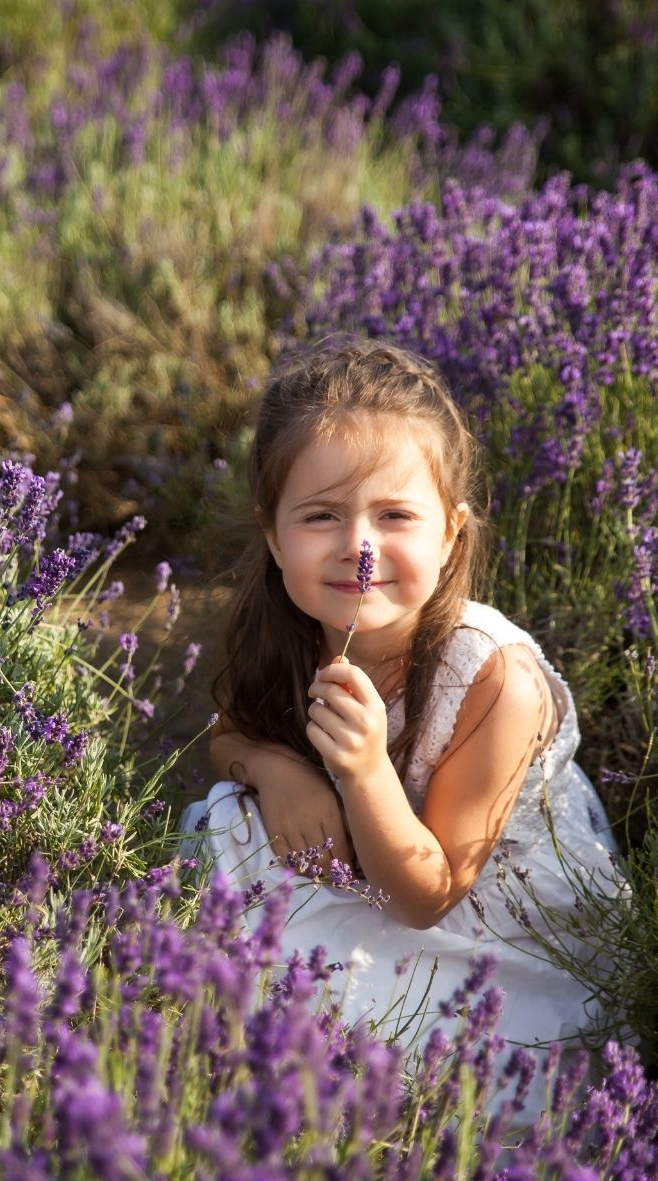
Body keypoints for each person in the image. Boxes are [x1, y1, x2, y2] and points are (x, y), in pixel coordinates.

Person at [181, 340, 622, 1060]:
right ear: (273, 534)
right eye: (320, 516)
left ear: (450, 532)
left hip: (484, 914)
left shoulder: (493, 678)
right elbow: (228, 734)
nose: (358, 547)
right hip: (363, 867)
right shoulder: (288, 626)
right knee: (232, 818)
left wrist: (362, 773)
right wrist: (274, 768)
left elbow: (427, 896)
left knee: (411, 1045)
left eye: (394, 516)